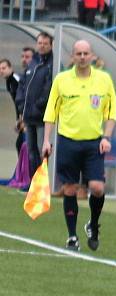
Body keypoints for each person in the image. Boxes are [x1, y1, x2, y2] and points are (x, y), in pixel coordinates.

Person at [41, 40, 116, 252]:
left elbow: (111, 112)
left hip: (94, 142)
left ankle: (93, 224)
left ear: (92, 56)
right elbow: (51, 112)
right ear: (73, 57)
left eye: (86, 53)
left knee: (97, 188)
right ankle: (72, 236)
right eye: (78, 54)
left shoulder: (103, 80)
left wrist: (106, 138)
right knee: (70, 188)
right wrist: (47, 140)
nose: (82, 57)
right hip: (68, 141)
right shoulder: (62, 80)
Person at [15, 32, 53, 183]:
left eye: (45, 43)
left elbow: (49, 88)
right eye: (40, 43)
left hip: (43, 117)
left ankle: (44, 184)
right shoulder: (33, 62)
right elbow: (23, 85)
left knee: (41, 150)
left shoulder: (52, 64)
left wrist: (38, 106)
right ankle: (33, 184)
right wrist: (21, 104)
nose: (42, 46)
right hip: (28, 117)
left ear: (51, 45)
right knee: (31, 152)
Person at [0, 58, 24, 156]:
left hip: (27, 117)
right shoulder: (8, 82)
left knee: (21, 144)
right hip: (22, 117)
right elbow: (16, 103)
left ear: (10, 68)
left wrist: (23, 119)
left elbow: (25, 99)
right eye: (0, 69)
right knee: (20, 144)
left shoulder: (16, 79)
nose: (1, 71)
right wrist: (17, 120)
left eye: (4, 68)